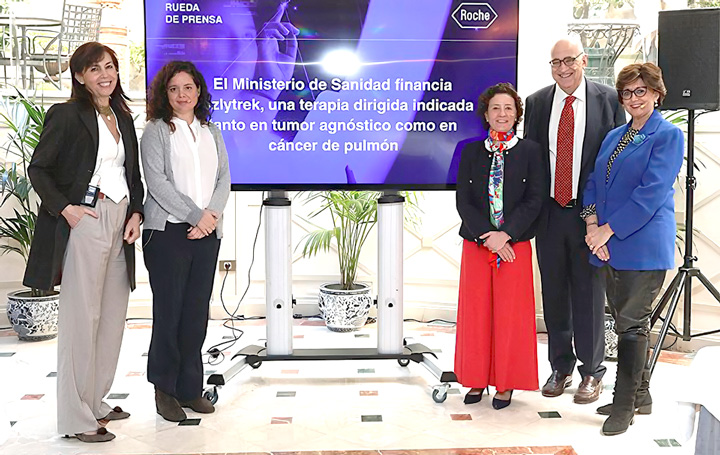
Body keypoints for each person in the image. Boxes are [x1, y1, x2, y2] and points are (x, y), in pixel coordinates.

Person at [23, 42, 143, 443]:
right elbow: (38, 169)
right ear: (79, 76)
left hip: (120, 221)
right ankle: (76, 418)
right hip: (86, 220)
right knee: (81, 318)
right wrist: (67, 210)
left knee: (111, 316)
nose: (105, 74)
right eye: (94, 69)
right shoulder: (67, 115)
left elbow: (133, 174)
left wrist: (137, 212)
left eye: (109, 66)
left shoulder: (123, 116)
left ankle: (95, 400)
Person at [524, 35, 626, 404]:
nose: (563, 69)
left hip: (591, 217)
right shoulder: (536, 103)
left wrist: (602, 220)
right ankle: (560, 367)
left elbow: (616, 161)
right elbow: (531, 161)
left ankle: (592, 372)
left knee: (589, 294)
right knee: (554, 295)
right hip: (549, 214)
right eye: (556, 63)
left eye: (569, 61)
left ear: (583, 61)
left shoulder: (609, 100)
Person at [583, 63, 683, 436]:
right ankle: (641, 394)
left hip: (641, 244)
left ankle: (624, 405)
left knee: (631, 327)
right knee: (624, 319)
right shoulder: (614, 136)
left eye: (641, 91)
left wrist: (608, 230)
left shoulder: (668, 135)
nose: (633, 99)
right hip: (606, 243)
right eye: (626, 92)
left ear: (657, 93)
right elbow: (593, 181)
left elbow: (651, 192)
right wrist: (593, 227)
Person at [141, 61, 231, 422]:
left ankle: (190, 388)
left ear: (198, 91)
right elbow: (157, 183)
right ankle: (164, 389)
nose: (182, 95)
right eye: (174, 88)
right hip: (167, 234)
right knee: (170, 313)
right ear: (165, 94)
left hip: (207, 232)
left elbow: (224, 177)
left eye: (188, 87)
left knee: (196, 313)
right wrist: (197, 216)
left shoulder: (211, 130)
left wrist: (210, 217)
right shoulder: (156, 131)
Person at [454, 82, 544, 409]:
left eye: (508, 108)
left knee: (510, 317)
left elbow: (535, 200)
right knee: (476, 314)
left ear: (517, 113)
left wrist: (506, 234)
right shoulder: (470, 151)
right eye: (495, 108)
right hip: (478, 244)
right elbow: (464, 201)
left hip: (514, 245)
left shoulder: (532, 151)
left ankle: (506, 383)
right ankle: (476, 379)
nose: (502, 114)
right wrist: (488, 236)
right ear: (486, 115)